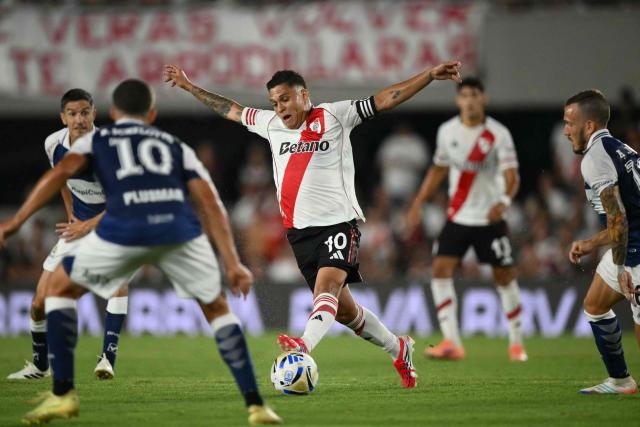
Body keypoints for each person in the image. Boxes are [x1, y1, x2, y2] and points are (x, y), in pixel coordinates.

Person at [164, 59, 462, 389]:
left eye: (285, 99)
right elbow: (229, 109)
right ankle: (398, 347)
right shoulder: (269, 124)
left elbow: (386, 98)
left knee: (327, 289)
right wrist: (191, 87)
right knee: (347, 313)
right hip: (300, 235)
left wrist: (429, 76)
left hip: (339, 224)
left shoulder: (336, 115)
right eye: (274, 102)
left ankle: (304, 346)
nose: (279, 108)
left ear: (304, 95)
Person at [0, 79, 282, 425]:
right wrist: (233, 262)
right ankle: (256, 405)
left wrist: (15, 223)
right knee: (218, 308)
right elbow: (210, 203)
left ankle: (63, 395)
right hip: (177, 230)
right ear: (151, 115)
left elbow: (58, 176)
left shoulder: (98, 140)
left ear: (113, 113)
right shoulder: (174, 145)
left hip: (125, 228)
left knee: (57, 290)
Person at [7, 89, 129, 381]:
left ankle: (107, 358)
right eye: (72, 114)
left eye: (85, 112)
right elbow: (61, 179)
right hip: (79, 227)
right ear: (63, 117)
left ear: (94, 114)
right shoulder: (53, 144)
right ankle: (40, 366)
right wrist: (72, 214)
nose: (79, 119)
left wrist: (87, 226)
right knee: (38, 303)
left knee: (118, 284)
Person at [406, 77, 527, 362]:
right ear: (458, 100)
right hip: (458, 216)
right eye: (465, 95)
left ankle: (516, 343)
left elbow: (513, 177)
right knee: (439, 270)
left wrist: (505, 201)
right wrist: (418, 202)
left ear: (483, 98)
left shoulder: (498, 134)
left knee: (504, 275)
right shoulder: (447, 131)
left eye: (475, 94)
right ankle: (452, 342)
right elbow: (438, 169)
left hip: (489, 217)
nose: (470, 100)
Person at [564, 89, 639, 394]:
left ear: (589, 126)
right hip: (629, 241)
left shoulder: (594, 157)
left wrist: (621, 265)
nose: (566, 130)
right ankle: (620, 381)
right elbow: (625, 217)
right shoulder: (620, 148)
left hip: (634, 251)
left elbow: (619, 218)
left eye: (570, 123)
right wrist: (592, 243)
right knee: (595, 305)